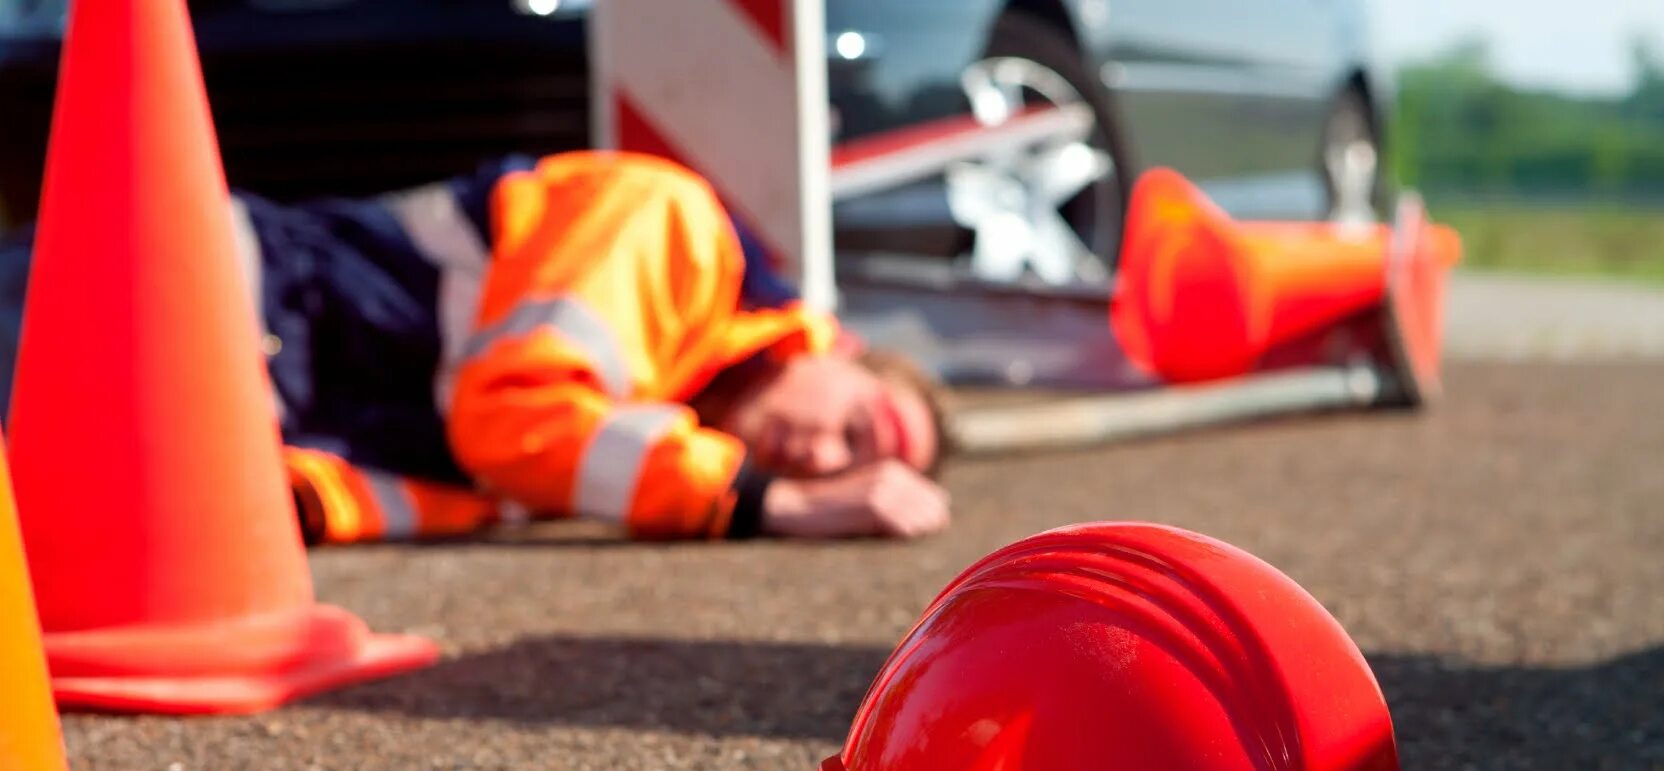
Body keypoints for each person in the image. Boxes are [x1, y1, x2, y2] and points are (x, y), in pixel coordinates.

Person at [0, 150, 951, 543]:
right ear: (842, 347)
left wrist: (261, 506)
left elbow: (444, 482)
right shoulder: (675, 228)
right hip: (183, 296)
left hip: (211, 410)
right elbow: (510, 420)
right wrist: (767, 503)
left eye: (843, 466)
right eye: (854, 425)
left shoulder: (642, 430)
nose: (821, 457)